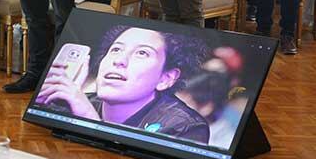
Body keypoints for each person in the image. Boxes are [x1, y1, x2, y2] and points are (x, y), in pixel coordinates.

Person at [36, 26, 210, 143]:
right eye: (116, 49)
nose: (119, 60)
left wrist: (89, 118)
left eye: (142, 53)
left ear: (166, 78)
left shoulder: (185, 128)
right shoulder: (69, 102)